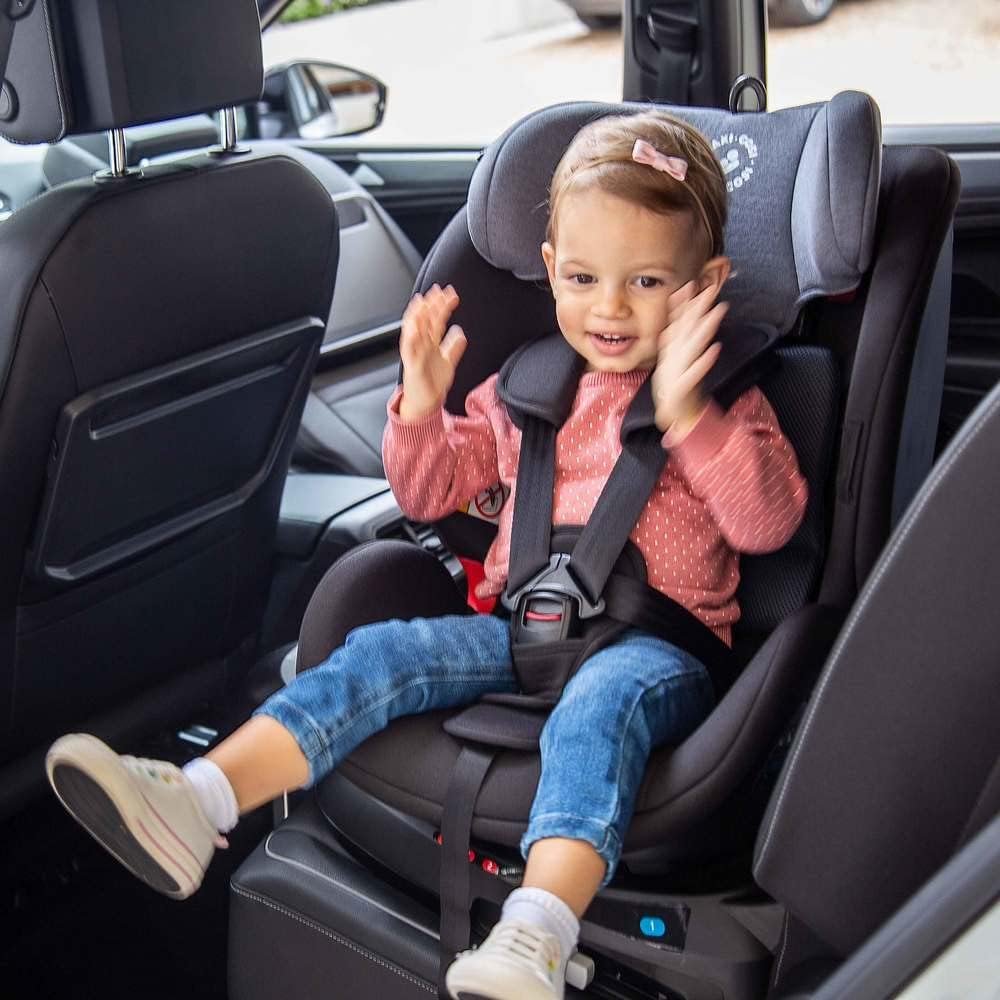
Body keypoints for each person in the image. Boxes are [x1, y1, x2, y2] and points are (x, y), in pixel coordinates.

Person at [46, 110, 807, 1000]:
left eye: (646, 281)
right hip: (519, 632)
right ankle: (201, 798)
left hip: (655, 651)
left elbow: (768, 523)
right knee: (381, 654)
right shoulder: (528, 387)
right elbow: (429, 491)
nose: (609, 307)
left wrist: (688, 417)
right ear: (551, 267)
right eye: (584, 278)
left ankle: (536, 937)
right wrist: (421, 406)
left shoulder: (726, 398)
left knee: (598, 709)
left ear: (703, 285)